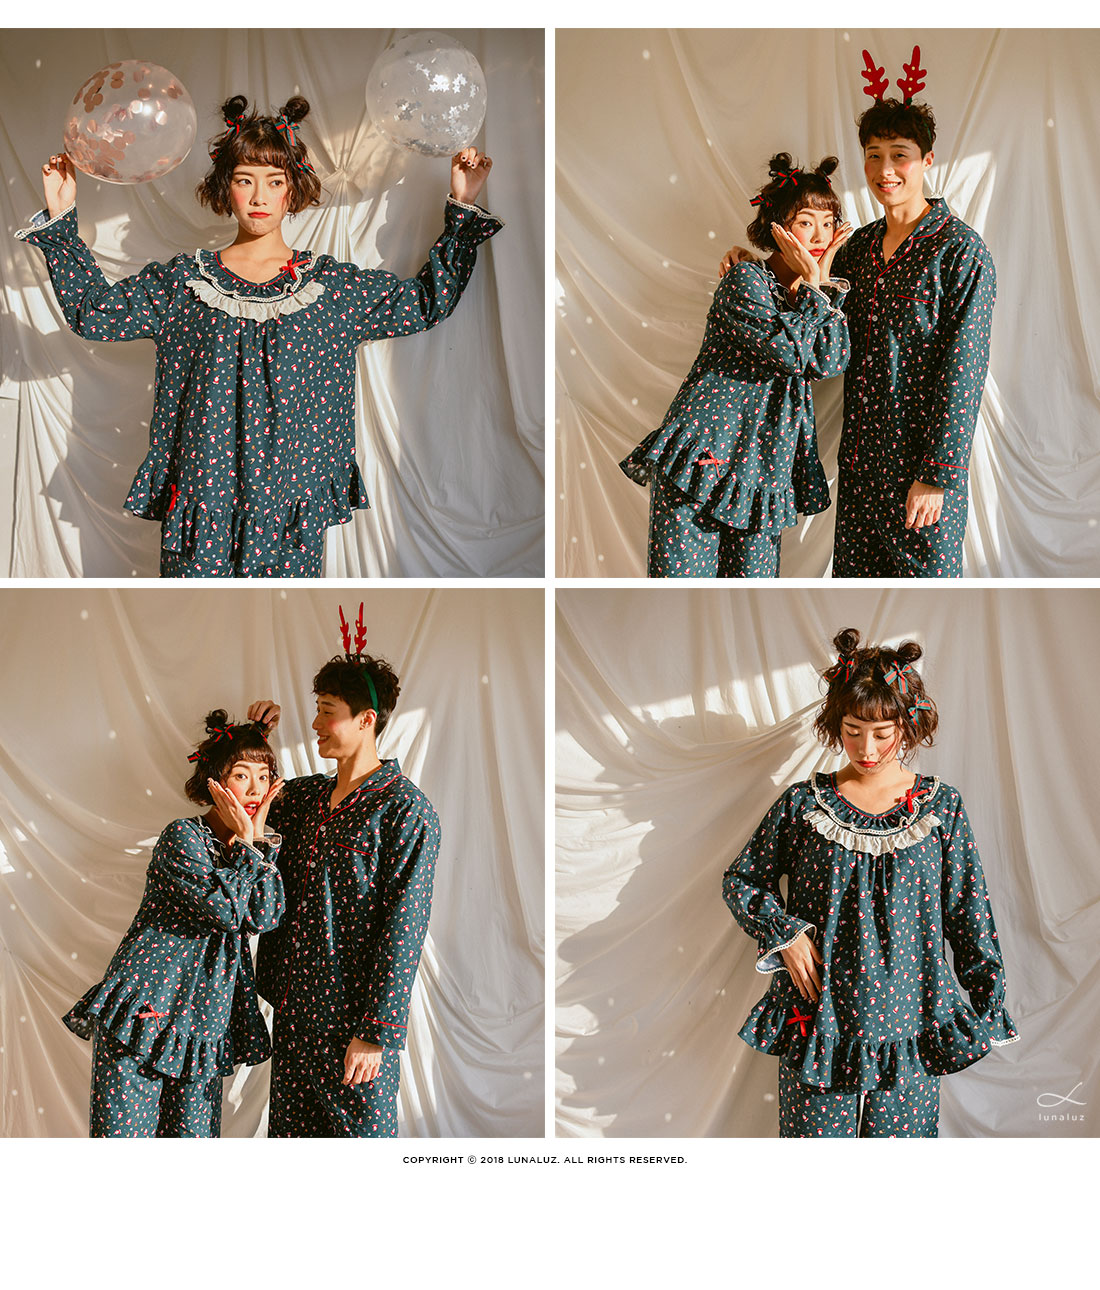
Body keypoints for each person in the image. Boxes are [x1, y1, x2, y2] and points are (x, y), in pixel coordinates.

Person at [16, 95, 501, 577]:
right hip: (202, 510)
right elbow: (95, 314)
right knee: (200, 619)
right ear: (225, 187)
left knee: (278, 612)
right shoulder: (184, 284)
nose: (258, 197)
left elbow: (423, 303)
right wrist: (62, 220)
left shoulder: (329, 289)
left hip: (289, 516)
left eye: (274, 181)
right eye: (244, 180)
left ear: (292, 188)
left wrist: (462, 205)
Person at [722, 628, 1017, 1137]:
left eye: (883, 733)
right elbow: (743, 880)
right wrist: (786, 935)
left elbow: (968, 912)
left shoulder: (941, 809)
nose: (867, 748)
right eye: (853, 730)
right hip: (818, 1019)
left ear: (909, 724)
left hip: (912, 1020)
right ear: (836, 723)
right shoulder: (803, 806)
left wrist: (988, 999)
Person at [721, 48, 996, 577]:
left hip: (921, 473)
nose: (885, 170)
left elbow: (964, 370)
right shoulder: (856, 250)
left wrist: (937, 474)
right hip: (860, 468)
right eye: (873, 155)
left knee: (927, 598)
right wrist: (749, 263)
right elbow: (805, 292)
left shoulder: (961, 252)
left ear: (927, 161)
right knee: (855, 596)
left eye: (899, 155)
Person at [250, 609, 439, 1136]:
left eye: (326, 712)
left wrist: (376, 1032)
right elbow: (248, 799)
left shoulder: (405, 810)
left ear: (365, 720)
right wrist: (254, 735)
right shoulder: (304, 799)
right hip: (294, 1015)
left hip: (354, 1026)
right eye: (316, 710)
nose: (314, 724)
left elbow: (405, 926)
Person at [619, 153, 852, 577]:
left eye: (828, 222)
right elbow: (790, 353)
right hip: (705, 460)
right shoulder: (746, 281)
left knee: (751, 599)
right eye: (806, 222)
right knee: (680, 596)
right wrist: (815, 286)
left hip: (764, 474)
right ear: (779, 228)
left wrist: (819, 284)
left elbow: (830, 361)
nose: (820, 235)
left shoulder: (818, 299)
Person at [62, 711, 285, 1137]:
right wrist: (249, 846)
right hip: (146, 1011)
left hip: (203, 1024)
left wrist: (255, 842)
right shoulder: (183, 837)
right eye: (242, 775)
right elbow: (225, 911)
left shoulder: (259, 848)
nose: (256, 789)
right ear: (215, 784)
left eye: (264, 776)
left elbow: (265, 916)